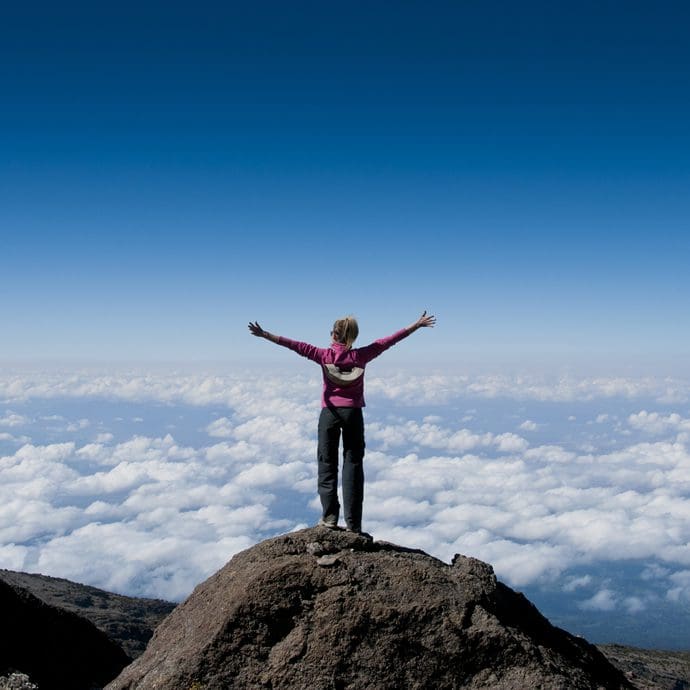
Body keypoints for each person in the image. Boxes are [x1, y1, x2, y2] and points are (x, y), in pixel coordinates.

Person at [248, 311, 436, 535]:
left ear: (334, 334)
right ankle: (354, 525)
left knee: (326, 464)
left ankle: (329, 518)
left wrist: (265, 334)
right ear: (352, 337)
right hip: (353, 414)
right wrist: (416, 325)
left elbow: (293, 345)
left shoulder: (322, 355)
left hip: (329, 414)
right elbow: (389, 341)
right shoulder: (362, 356)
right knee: (353, 466)